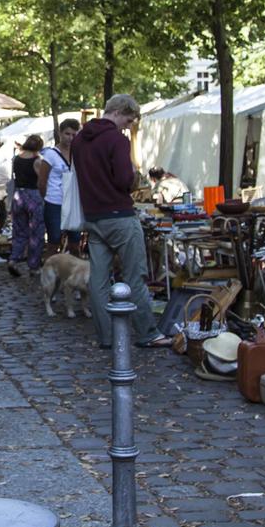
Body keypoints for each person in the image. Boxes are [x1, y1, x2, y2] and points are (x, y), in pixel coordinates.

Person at [72, 94, 162, 349]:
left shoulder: (79, 139)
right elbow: (124, 180)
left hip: (92, 216)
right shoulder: (116, 140)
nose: (129, 126)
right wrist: (133, 175)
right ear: (121, 112)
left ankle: (106, 337)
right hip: (119, 216)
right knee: (135, 277)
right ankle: (147, 333)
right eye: (130, 120)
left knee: (98, 282)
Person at [7, 135, 46, 276]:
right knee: (36, 233)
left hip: (18, 195)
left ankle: (13, 259)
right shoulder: (37, 161)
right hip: (33, 197)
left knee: (19, 232)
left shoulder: (16, 158)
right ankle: (34, 266)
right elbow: (41, 181)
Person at [42, 119, 78, 254]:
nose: (70, 138)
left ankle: (74, 270)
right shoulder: (50, 154)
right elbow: (42, 180)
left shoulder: (77, 153)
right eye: (67, 134)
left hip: (72, 201)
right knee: (54, 239)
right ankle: (49, 268)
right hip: (54, 201)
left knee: (75, 239)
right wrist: (46, 196)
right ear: (60, 133)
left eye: (74, 135)